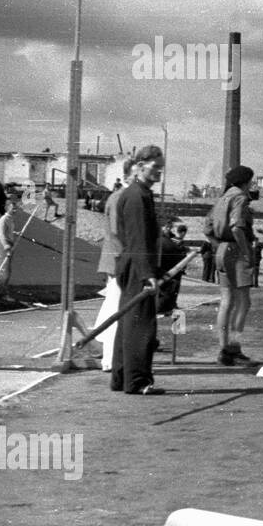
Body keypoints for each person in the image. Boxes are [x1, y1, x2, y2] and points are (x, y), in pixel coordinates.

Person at [111, 146, 165, 394]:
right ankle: (138, 381)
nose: (159, 173)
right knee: (140, 325)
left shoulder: (139, 193)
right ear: (141, 166)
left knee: (128, 323)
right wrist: (148, 274)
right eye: (155, 167)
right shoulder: (136, 196)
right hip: (136, 266)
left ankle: (122, 379)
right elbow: (139, 238)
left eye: (160, 168)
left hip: (133, 264)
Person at [206, 165, 256, 366]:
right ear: (246, 181)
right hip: (236, 249)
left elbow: (207, 228)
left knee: (226, 301)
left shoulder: (222, 199)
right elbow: (237, 227)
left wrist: (220, 247)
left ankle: (224, 348)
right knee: (244, 302)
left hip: (222, 250)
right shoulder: (240, 198)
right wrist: (246, 252)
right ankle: (233, 348)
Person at [93, 160, 133, 370]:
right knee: (115, 309)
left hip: (120, 260)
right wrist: (126, 262)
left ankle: (113, 357)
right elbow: (117, 233)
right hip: (119, 262)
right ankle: (109, 358)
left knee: (117, 308)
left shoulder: (124, 197)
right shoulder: (120, 198)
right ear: (127, 176)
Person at [0, 193, 20, 298]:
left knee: (7, 270)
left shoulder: (10, 219)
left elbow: (8, 232)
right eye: (13, 208)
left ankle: (1, 292)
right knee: (4, 270)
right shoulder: (3, 219)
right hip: (4, 246)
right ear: (7, 208)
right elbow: (2, 234)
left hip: (9, 244)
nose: (15, 210)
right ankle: (1, 293)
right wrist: (6, 247)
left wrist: (15, 233)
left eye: (16, 208)